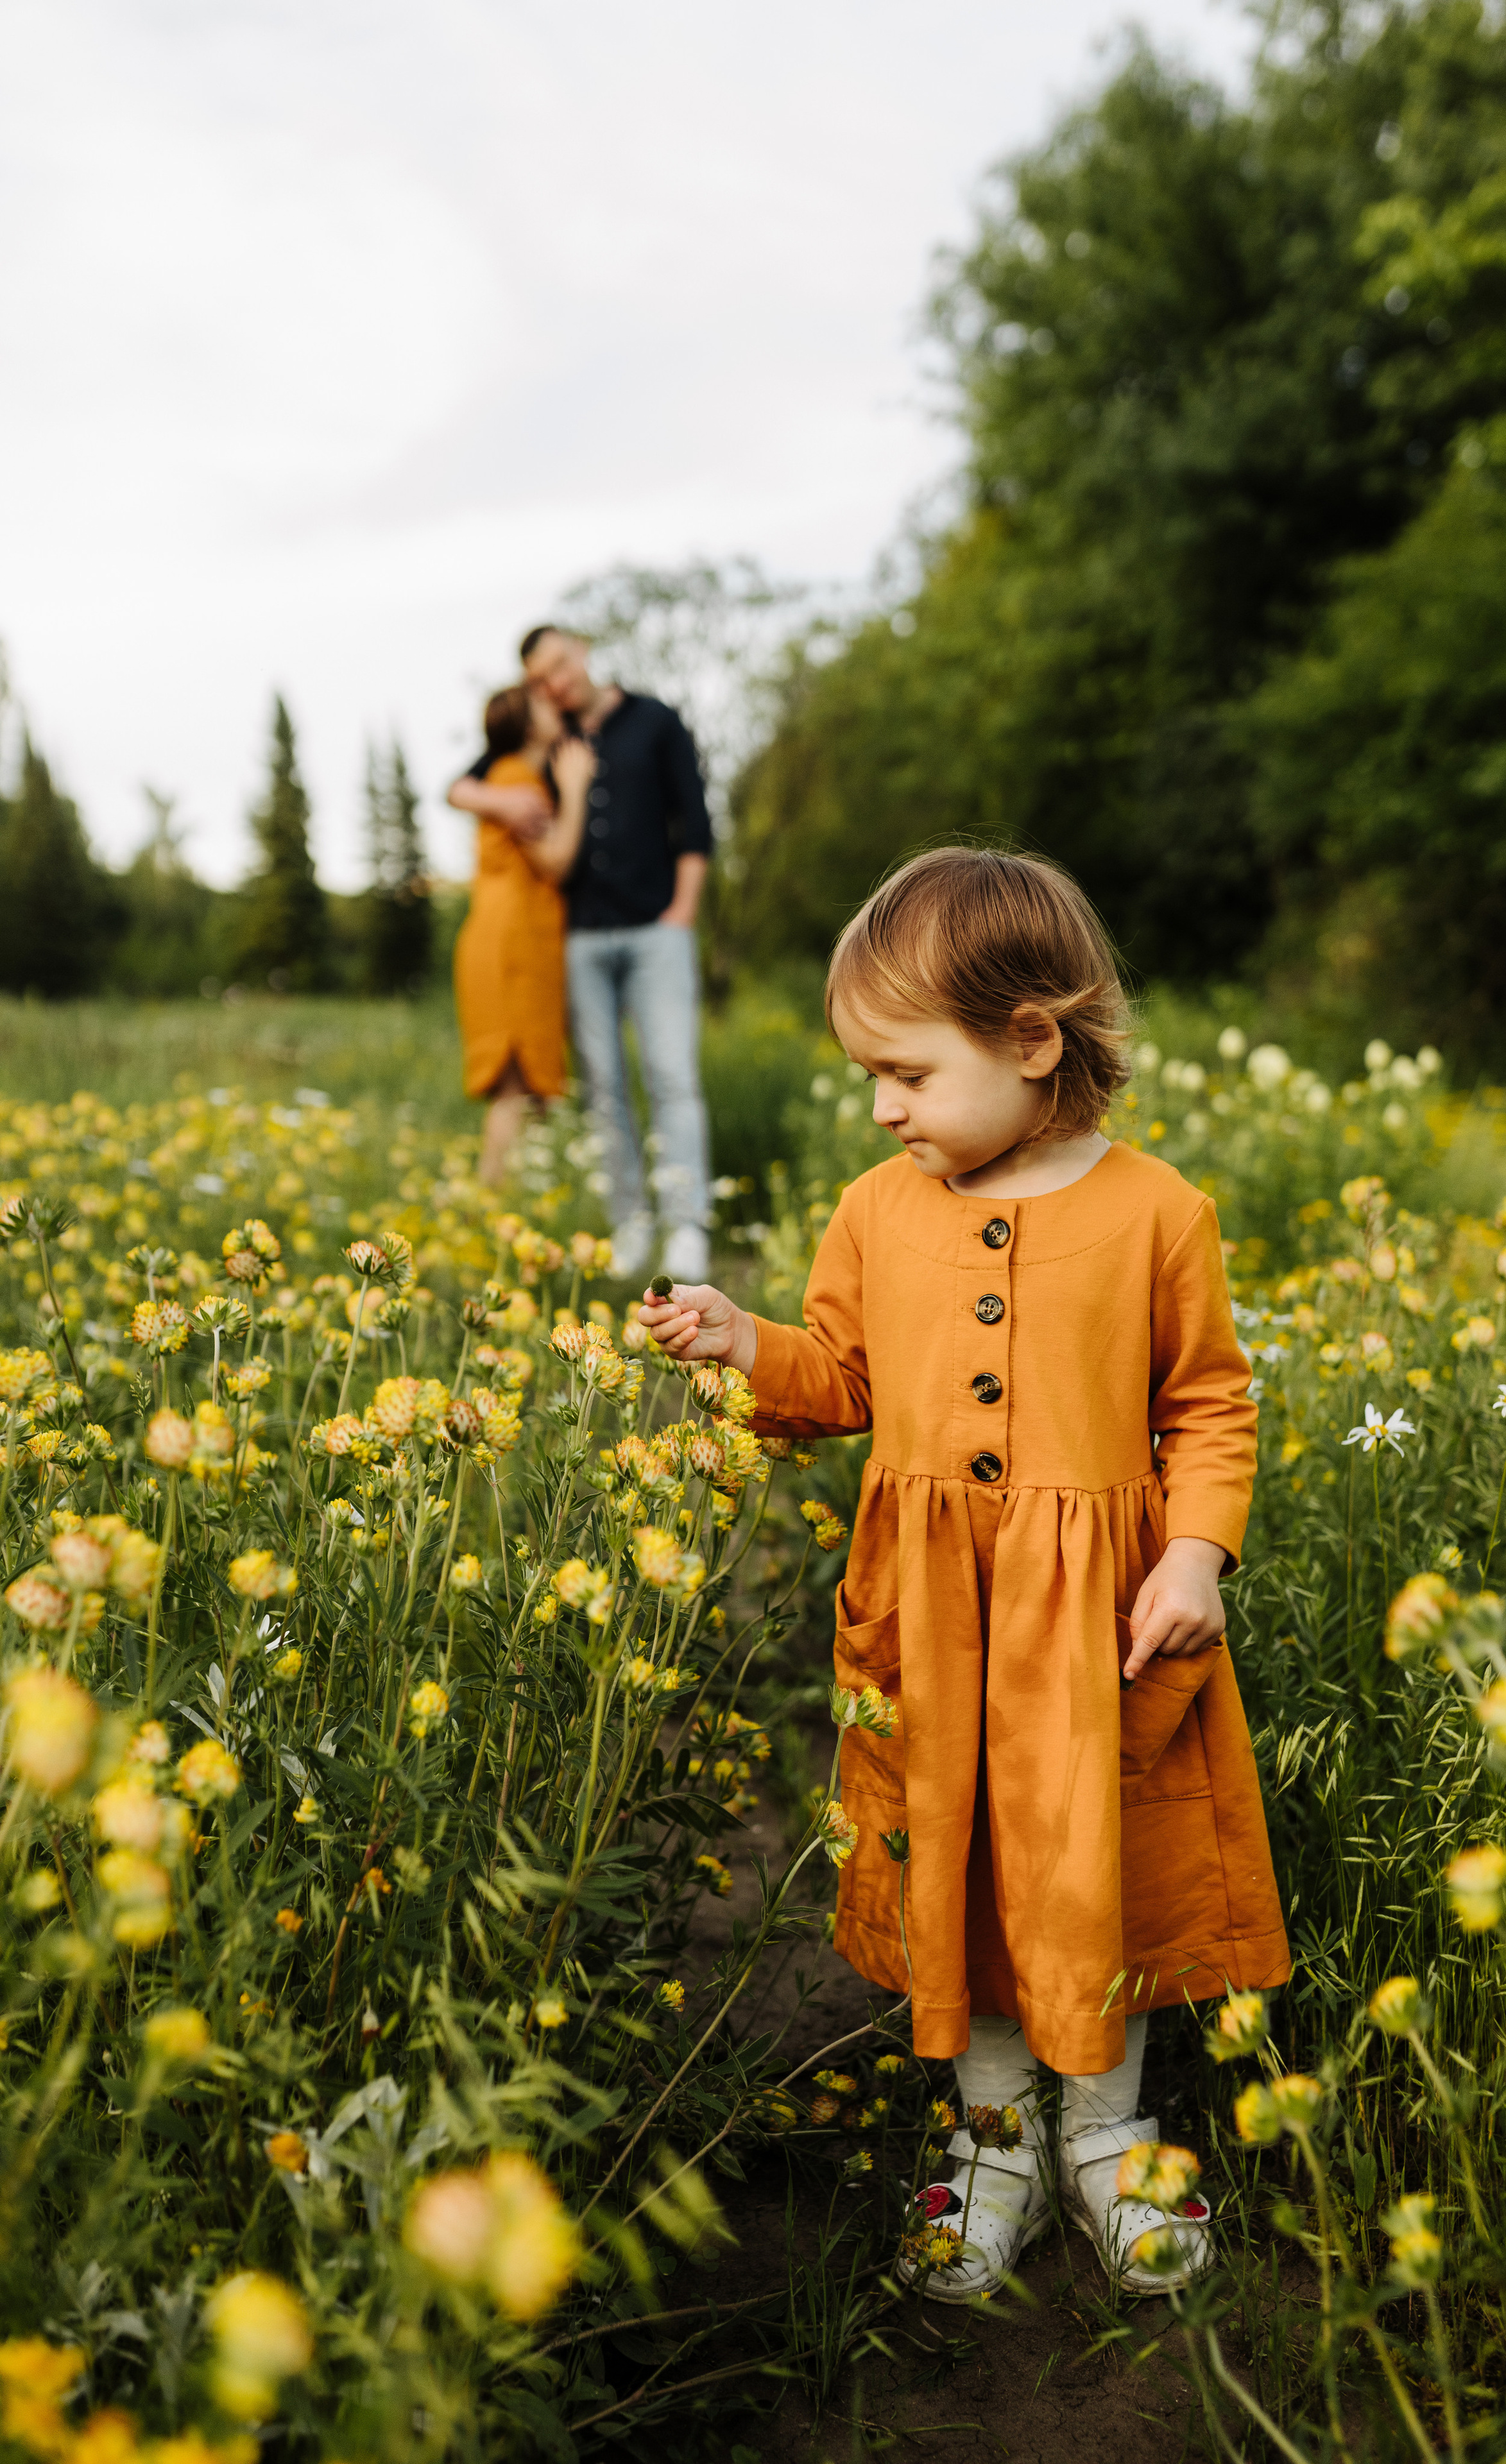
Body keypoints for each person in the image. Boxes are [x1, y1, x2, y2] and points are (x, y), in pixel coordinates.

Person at [640, 847, 1289, 2302]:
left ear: (1029, 1040)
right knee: (969, 1867)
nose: (879, 1104)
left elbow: (1207, 1405)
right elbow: (841, 1377)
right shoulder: (877, 1209)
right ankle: (992, 2132)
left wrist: (1195, 1548)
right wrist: (748, 1344)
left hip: (1096, 1624)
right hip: (932, 1621)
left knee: (1090, 1866)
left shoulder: (1155, 1213)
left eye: (905, 1071)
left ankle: (1109, 2137)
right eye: (869, 1073)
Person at [449, 624, 714, 1279]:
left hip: (657, 931)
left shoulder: (654, 720)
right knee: (603, 1090)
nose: (556, 683)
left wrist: (682, 912)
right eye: (541, 678)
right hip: (580, 942)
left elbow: (696, 823)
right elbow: (460, 785)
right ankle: (629, 1225)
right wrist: (497, 798)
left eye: (561, 665)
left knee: (672, 1077)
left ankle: (686, 1226)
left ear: (584, 650)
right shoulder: (551, 738)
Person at [453, 682, 593, 1187]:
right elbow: (554, 861)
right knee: (513, 1089)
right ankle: (491, 1208)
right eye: (542, 705)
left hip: (511, 941)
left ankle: (517, 1206)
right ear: (529, 725)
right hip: (510, 947)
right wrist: (575, 788)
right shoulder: (518, 781)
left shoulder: (507, 779)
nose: (556, 707)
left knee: (530, 1090)